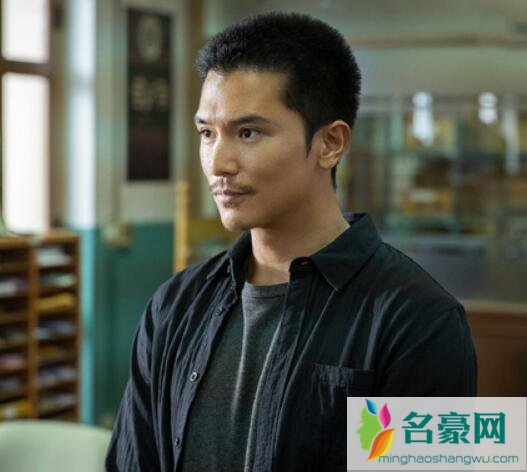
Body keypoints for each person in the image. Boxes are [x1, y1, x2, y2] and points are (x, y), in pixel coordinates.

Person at [105, 11, 477, 472]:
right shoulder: (175, 306)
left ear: (330, 144)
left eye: (248, 133)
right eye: (207, 133)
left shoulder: (418, 321)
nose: (217, 162)